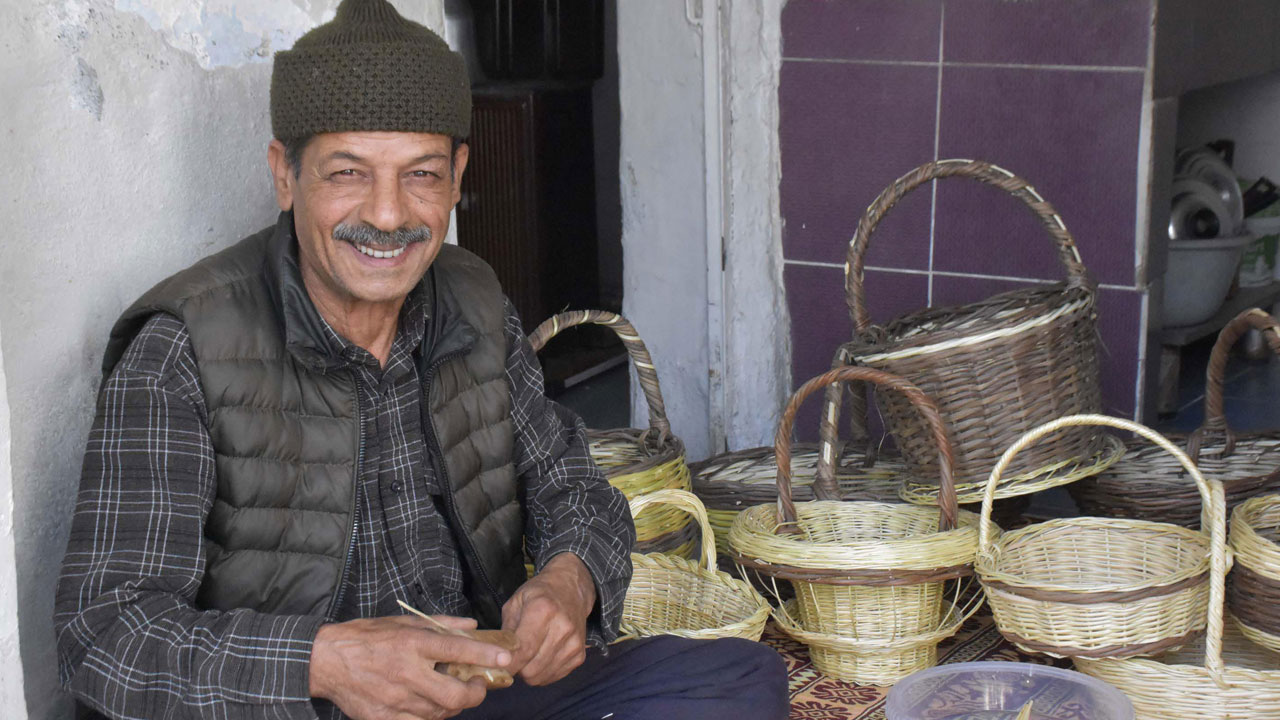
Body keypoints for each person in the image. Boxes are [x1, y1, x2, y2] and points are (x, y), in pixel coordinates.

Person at [53, 0, 788, 718]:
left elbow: (573, 485)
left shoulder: (470, 301)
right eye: (347, 172)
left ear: (459, 172)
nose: (386, 214)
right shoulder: (184, 349)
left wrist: (571, 581)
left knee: (738, 679)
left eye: (421, 173)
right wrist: (329, 664)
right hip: (306, 707)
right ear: (285, 173)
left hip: (471, 688)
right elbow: (105, 637)